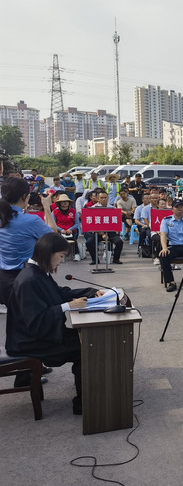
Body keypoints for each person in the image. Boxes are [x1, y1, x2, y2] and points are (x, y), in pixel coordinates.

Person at [5, 233, 103, 414]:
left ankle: (93, 392)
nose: (62, 261)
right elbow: (37, 321)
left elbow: (58, 293)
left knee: (89, 337)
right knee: (87, 346)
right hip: (31, 341)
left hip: (37, 335)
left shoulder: (36, 272)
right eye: (61, 256)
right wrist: (67, 306)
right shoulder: (29, 279)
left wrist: (90, 291)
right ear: (48, 253)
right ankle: (84, 404)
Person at [0, 176, 57, 307]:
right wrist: (47, 208)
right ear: (25, 196)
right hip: (26, 279)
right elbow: (53, 237)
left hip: (3, 279)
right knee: (33, 322)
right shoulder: (30, 221)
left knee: (15, 321)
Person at [84, 189, 124, 265]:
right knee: (89, 242)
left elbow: (116, 223)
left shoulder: (113, 209)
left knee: (119, 242)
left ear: (108, 198)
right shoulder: (92, 209)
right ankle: (95, 260)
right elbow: (90, 224)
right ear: (97, 199)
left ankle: (116, 259)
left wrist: (107, 232)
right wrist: (101, 233)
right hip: (97, 232)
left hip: (110, 231)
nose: (103, 199)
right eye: (101, 198)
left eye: (105, 197)